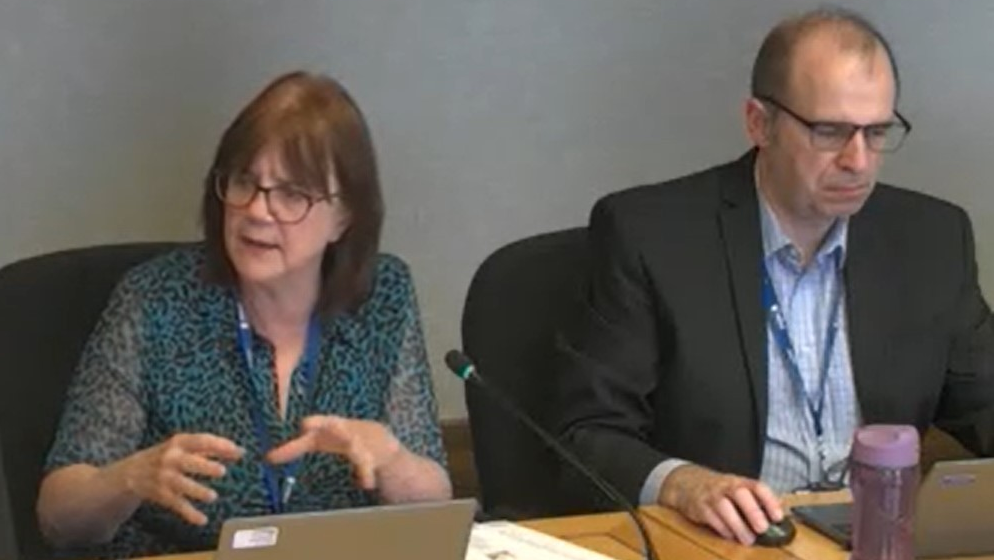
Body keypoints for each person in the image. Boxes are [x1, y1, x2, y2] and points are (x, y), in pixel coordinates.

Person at [554, 7, 994, 547]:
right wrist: (683, 483)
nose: (859, 161)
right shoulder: (651, 237)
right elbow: (585, 433)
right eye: (830, 132)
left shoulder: (932, 238)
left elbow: (986, 400)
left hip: (875, 540)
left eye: (877, 132)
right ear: (759, 123)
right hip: (726, 544)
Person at [36, 71, 452, 558]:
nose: (256, 210)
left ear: (345, 216)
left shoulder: (382, 295)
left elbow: (434, 504)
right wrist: (127, 479)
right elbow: (57, 516)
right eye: (244, 182)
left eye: (292, 193)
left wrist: (392, 461)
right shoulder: (154, 299)